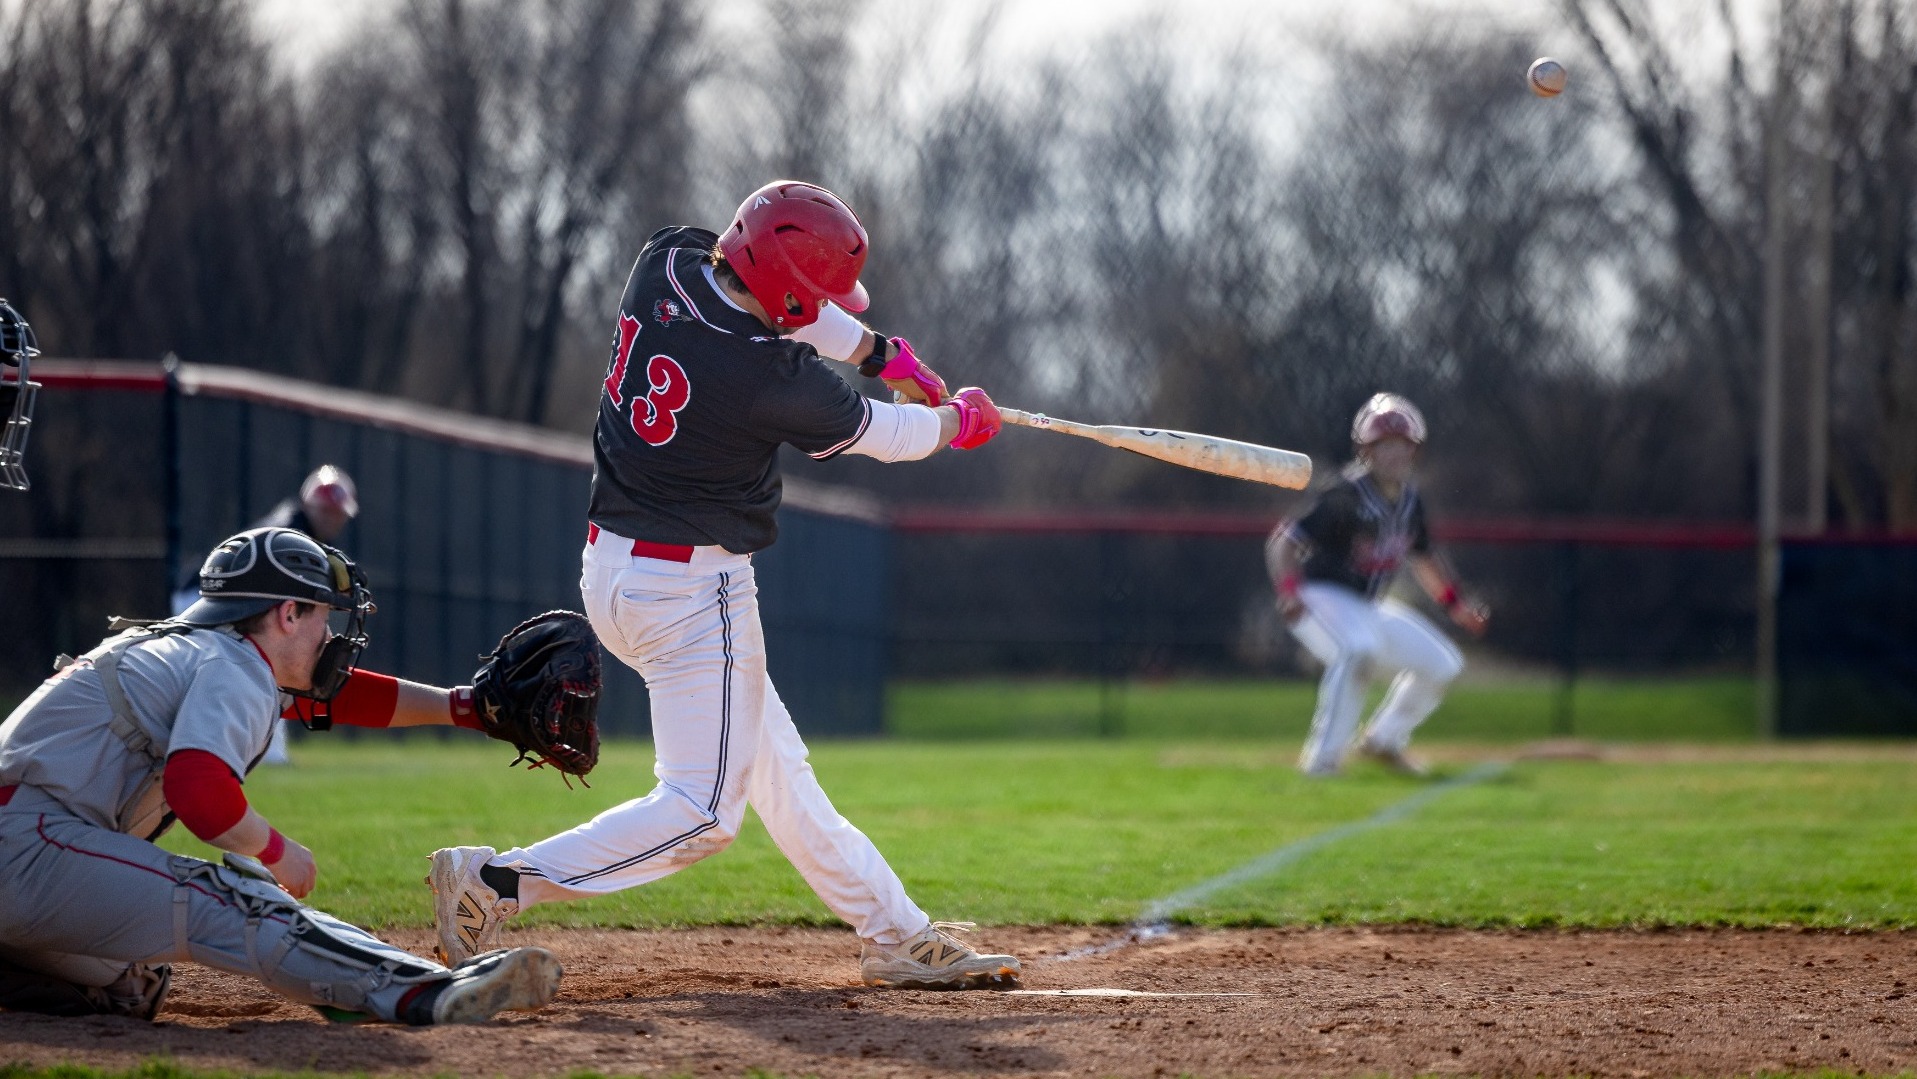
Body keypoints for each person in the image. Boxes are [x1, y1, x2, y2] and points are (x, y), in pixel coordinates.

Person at [426, 179, 1020, 990]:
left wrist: (888, 357)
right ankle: (497, 881)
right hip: (693, 593)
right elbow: (886, 435)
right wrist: (958, 424)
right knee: (703, 812)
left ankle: (898, 934)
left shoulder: (664, 260)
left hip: (613, 571)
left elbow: (781, 298)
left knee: (779, 773)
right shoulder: (766, 376)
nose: (816, 307)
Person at [0, 527, 562, 1023]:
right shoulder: (235, 664)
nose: (331, 635)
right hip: (26, 849)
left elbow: (338, 700)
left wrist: (463, 708)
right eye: (322, 614)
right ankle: (420, 992)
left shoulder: (196, 651)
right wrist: (275, 849)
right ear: (288, 613)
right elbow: (197, 790)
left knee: (130, 981)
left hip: (24, 852)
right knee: (237, 897)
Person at [1265, 393, 1490, 777]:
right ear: (1366, 451)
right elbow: (1282, 542)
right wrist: (1288, 590)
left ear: (1413, 451)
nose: (1394, 454)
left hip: (1366, 605)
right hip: (1320, 598)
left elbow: (1424, 557)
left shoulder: (1410, 502)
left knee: (1443, 663)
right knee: (1358, 651)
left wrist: (1455, 604)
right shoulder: (1344, 495)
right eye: (1384, 445)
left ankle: (1383, 740)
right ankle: (1322, 763)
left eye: (1401, 445)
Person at [173, 465, 361, 765]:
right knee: (266, 665)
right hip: (205, 594)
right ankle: (264, 754)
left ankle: (253, 751)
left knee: (261, 666)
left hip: (227, 595)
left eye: (338, 513)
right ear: (309, 505)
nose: (333, 519)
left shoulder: (305, 532)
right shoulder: (292, 530)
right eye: (326, 510)